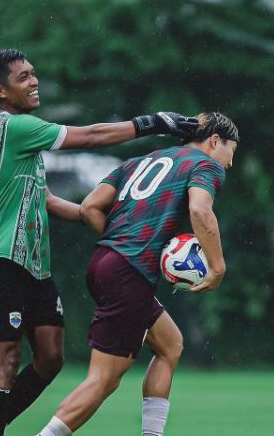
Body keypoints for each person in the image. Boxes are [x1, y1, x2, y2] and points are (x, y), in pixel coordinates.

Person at [0, 49, 198, 436]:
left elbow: (49, 202)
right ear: (0, 90)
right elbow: (90, 136)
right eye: (23, 77)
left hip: (33, 269)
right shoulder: (14, 127)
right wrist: (153, 123)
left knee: (51, 357)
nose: (34, 81)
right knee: (5, 363)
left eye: (33, 73)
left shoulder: (24, 144)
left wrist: (121, 219)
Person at [35, 112, 238, 436]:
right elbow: (200, 209)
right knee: (104, 379)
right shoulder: (206, 164)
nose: (229, 162)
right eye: (232, 151)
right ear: (215, 141)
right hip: (128, 273)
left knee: (170, 345)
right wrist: (217, 267)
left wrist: (120, 244)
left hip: (106, 262)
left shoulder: (144, 160)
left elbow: (89, 207)